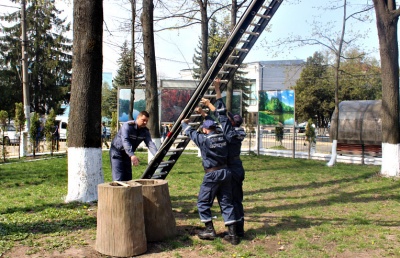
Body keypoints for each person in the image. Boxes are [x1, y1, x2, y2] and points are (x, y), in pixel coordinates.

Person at [181, 118, 239, 245]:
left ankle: (209, 230)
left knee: (203, 202)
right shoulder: (223, 137)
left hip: (212, 174)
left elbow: (189, 132)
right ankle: (233, 235)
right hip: (225, 172)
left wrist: (183, 122)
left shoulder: (204, 140)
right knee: (226, 203)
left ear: (205, 130)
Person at [201, 78, 247, 237]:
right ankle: (239, 229)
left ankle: (235, 233)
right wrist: (207, 108)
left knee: (230, 200)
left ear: (231, 123)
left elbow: (221, 113)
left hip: (231, 169)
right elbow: (221, 116)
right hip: (238, 167)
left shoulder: (228, 133)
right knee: (237, 200)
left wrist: (217, 89)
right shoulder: (237, 132)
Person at [109, 111, 158, 181]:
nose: (145, 122)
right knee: (118, 179)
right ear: (138, 118)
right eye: (143, 120)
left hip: (127, 155)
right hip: (117, 153)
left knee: (128, 179)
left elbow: (150, 144)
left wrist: (157, 155)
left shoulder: (145, 131)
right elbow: (125, 140)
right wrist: (132, 155)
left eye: (146, 121)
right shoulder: (127, 126)